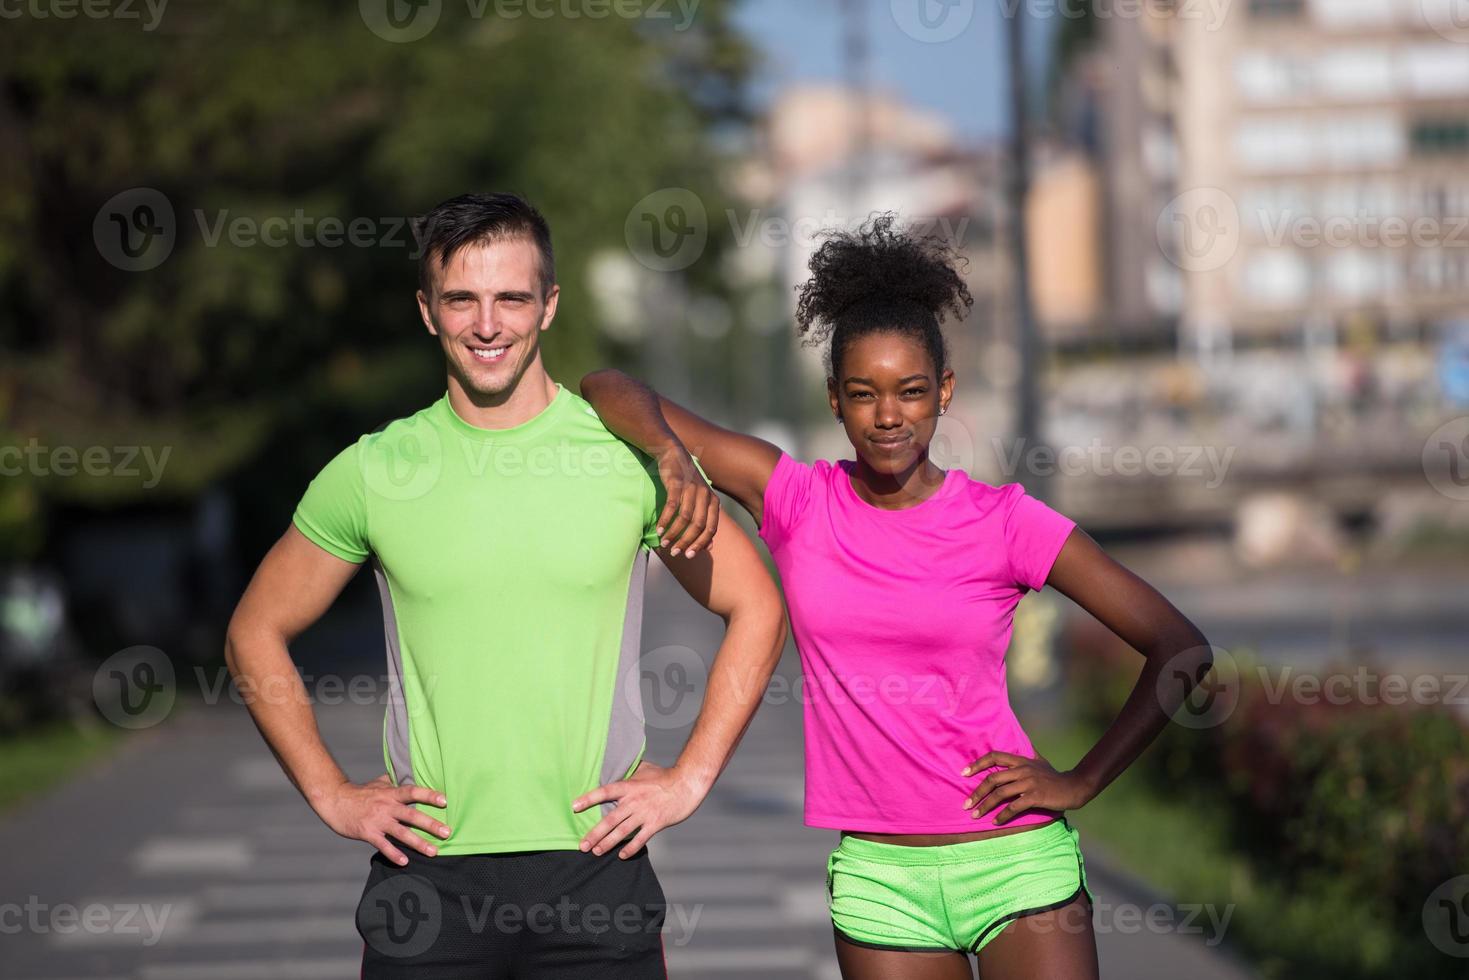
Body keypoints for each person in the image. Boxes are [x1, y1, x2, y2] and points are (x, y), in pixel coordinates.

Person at [580, 214, 1215, 980]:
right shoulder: (794, 499)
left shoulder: (1005, 521)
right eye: (864, 394)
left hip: (1015, 864)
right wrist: (673, 461)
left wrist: (1079, 780)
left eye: (911, 392)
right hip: (881, 884)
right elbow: (607, 388)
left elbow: (1179, 647)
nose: (888, 416)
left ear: (943, 391)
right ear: (834, 400)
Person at [224, 192, 787, 979]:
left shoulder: (627, 461)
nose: (487, 325)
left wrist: (689, 778)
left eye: (511, 298)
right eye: (462, 300)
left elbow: (756, 603)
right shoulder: (374, 470)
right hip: (426, 882)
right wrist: (332, 794)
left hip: (596, 873)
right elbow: (254, 631)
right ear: (427, 311)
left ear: (548, 305)